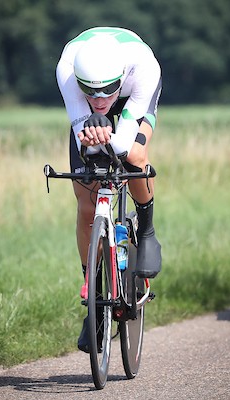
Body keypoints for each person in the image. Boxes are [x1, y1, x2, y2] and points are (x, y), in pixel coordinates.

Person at [56, 26, 162, 353]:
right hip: (91, 104)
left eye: (106, 92)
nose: (101, 100)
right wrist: (87, 134)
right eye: (91, 92)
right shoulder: (67, 70)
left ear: (120, 76)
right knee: (86, 200)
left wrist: (107, 136)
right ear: (79, 82)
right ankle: (93, 291)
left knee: (134, 155)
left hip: (133, 97)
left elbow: (121, 142)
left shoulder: (144, 69)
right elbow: (84, 144)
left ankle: (146, 232)